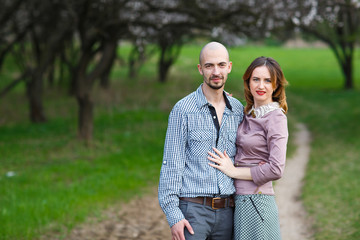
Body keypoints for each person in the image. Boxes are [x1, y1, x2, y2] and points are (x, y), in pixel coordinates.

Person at [158, 42, 244, 240]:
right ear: (200, 69)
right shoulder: (183, 110)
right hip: (193, 212)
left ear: (229, 67)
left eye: (221, 65)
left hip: (228, 213)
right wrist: (174, 216)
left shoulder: (238, 110)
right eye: (209, 66)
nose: (216, 71)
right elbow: (172, 164)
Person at [208, 56, 288, 240]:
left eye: (268, 80)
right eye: (256, 79)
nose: (261, 86)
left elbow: (276, 169)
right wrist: (223, 101)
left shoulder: (276, 118)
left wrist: (234, 171)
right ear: (248, 82)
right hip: (239, 200)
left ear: (275, 86)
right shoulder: (248, 114)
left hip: (257, 200)